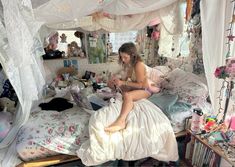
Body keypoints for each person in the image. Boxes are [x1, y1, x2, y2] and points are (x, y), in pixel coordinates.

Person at [105, 42, 161, 133]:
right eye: (121, 57)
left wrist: (123, 82)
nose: (123, 60)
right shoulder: (130, 64)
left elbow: (141, 85)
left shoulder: (139, 65)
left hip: (145, 89)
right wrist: (118, 81)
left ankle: (121, 121)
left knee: (128, 96)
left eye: (125, 57)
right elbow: (128, 80)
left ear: (133, 55)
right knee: (113, 86)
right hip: (137, 87)